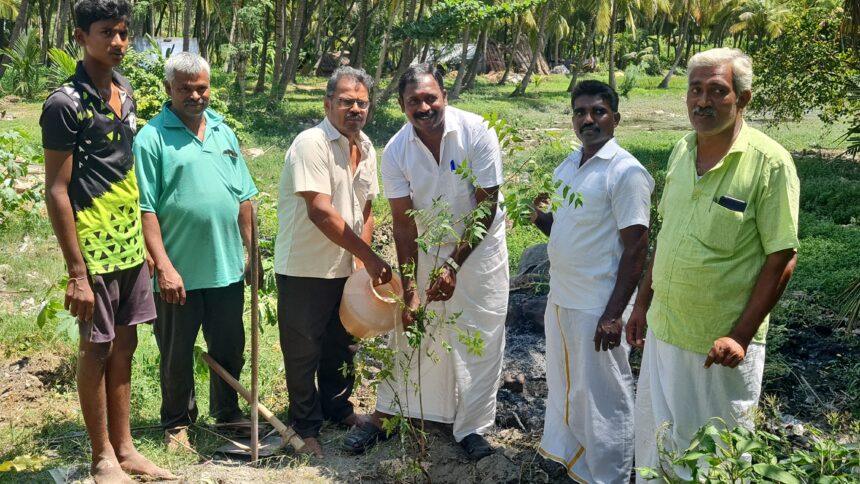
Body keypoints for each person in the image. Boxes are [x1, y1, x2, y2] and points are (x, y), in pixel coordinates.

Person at [627, 48, 799, 482]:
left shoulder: (770, 163)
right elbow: (669, 236)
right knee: (657, 444)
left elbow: (782, 256)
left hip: (717, 347)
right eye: (695, 90)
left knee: (715, 456)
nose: (703, 101)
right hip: (665, 330)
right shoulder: (682, 150)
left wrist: (740, 335)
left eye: (717, 91)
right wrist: (642, 304)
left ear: (743, 99)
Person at [344, 63, 508, 460]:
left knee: (480, 335)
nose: (423, 107)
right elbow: (403, 225)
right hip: (428, 248)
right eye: (413, 101)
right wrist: (411, 290)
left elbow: (486, 208)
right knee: (413, 330)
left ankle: (471, 428)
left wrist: (454, 267)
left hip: (479, 247)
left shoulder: (477, 132)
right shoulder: (397, 150)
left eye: (430, 98)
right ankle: (389, 415)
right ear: (402, 105)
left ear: (444, 97)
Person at [40, 1, 176, 482]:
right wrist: (76, 272)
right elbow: (57, 189)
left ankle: (126, 449)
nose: (118, 42)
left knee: (125, 345)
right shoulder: (65, 104)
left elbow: (125, 169)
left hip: (129, 244)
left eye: (122, 32)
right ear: (81, 37)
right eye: (106, 33)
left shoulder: (125, 89)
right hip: (92, 249)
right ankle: (101, 458)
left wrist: (146, 246)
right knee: (96, 349)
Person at [530, 80, 654, 483]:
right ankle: (578, 467)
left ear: (615, 118)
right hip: (562, 299)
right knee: (570, 387)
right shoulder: (568, 165)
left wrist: (614, 315)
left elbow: (636, 248)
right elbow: (569, 231)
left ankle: (610, 476)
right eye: (580, 112)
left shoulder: (626, 172)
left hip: (597, 305)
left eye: (598, 111)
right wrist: (540, 219)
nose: (588, 119)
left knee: (605, 396)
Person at [133, 52, 258, 450]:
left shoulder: (223, 131)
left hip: (225, 266)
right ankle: (177, 422)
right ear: (168, 89)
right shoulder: (151, 137)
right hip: (179, 271)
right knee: (176, 352)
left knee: (229, 347)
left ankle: (228, 413)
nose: (195, 95)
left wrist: (252, 253)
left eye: (202, 88)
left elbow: (244, 198)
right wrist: (164, 267)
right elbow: (145, 209)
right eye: (185, 88)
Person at [275, 66, 392, 457]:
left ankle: (337, 408)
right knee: (303, 349)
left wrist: (360, 264)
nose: (354, 109)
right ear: (328, 104)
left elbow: (367, 207)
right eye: (345, 101)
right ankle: (304, 426)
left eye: (362, 103)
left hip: (346, 267)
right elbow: (320, 212)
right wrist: (369, 257)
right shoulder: (312, 144)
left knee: (341, 344)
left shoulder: (367, 146)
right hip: (306, 268)